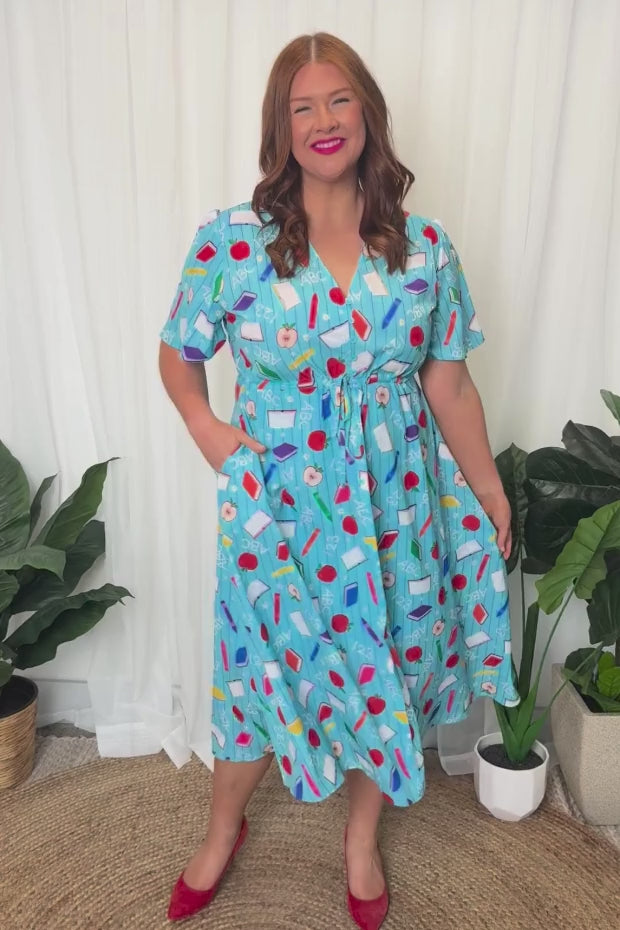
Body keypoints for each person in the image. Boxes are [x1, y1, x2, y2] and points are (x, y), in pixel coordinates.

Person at [159, 31, 518, 930]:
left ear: (368, 113)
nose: (324, 120)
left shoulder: (423, 246)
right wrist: (209, 432)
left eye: (340, 99)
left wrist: (488, 488)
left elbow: (449, 383)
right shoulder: (231, 243)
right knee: (260, 673)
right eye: (303, 106)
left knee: (384, 664)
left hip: (396, 505)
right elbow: (178, 354)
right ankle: (222, 830)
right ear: (281, 126)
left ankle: (360, 842)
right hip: (278, 507)